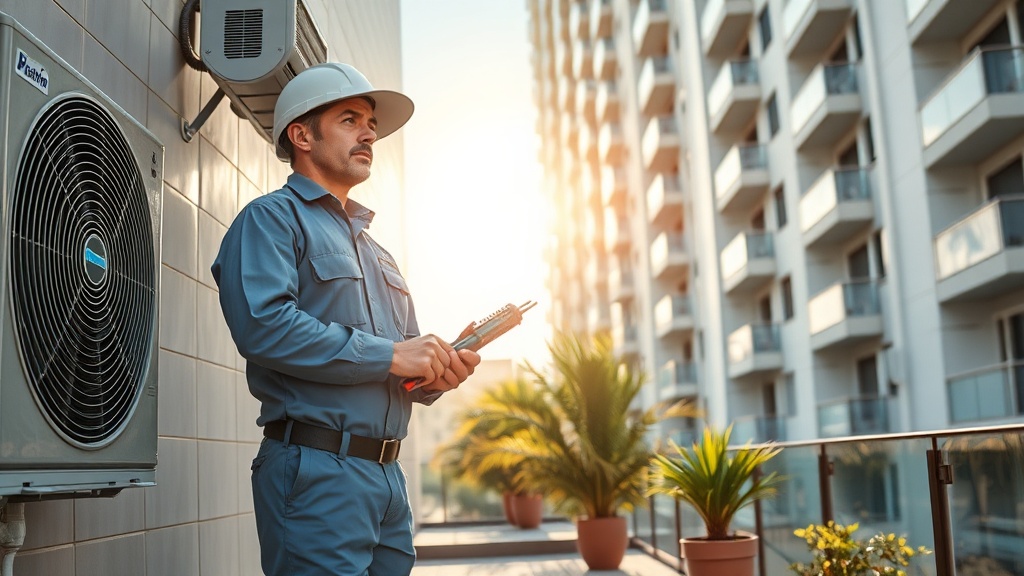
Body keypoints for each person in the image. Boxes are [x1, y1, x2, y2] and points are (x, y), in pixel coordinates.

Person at [211, 62, 481, 576]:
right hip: (316, 473)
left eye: (371, 124)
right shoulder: (269, 219)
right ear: (302, 135)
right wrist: (391, 353)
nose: (369, 133)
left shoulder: (379, 252)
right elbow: (263, 326)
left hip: (387, 480)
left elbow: (403, 371)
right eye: (351, 119)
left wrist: (439, 373)